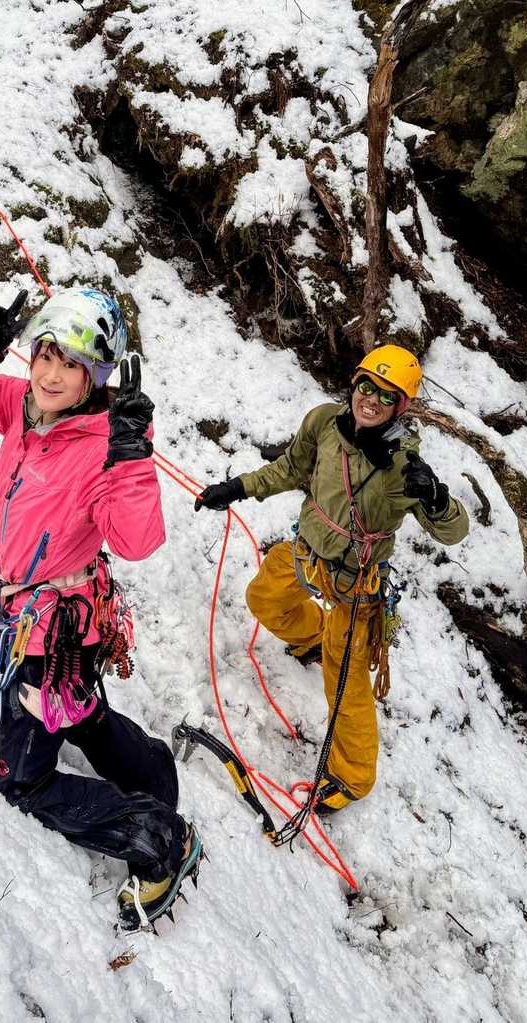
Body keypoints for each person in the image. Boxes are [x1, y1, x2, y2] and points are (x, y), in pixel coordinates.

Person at [0, 285, 201, 930]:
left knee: (20, 778)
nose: (50, 375)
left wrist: (131, 456)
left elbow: (136, 540)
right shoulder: (24, 408)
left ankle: (159, 839)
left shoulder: (106, 447)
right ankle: (151, 771)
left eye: (70, 365)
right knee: (78, 710)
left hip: (50, 631)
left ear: (96, 377)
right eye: (45, 355)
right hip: (33, 610)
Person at [194, 343, 468, 814]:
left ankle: (353, 777)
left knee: (345, 681)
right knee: (264, 599)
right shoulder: (324, 423)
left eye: (386, 396)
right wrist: (239, 487)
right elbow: (290, 468)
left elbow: (453, 531)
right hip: (307, 553)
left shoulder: (404, 468)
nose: (371, 400)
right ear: (354, 383)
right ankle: (312, 638)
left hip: (356, 583)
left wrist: (437, 498)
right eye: (366, 386)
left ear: (400, 406)